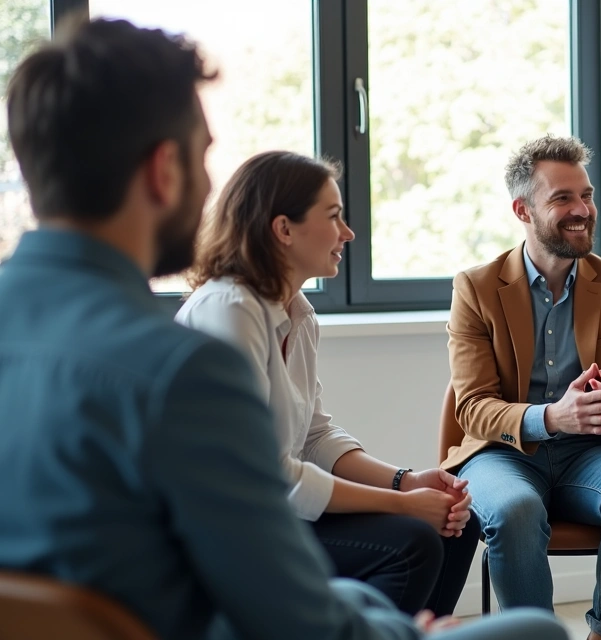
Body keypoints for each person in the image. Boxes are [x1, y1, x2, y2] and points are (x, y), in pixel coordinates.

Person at [0, 17, 565, 640]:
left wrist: (402, 490)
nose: (211, 183)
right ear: (164, 170)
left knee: (374, 585)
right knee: (535, 631)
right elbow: (290, 611)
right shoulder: (180, 370)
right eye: (203, 156)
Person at [176, 150, 478, 616]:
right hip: (232, 529)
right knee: (414, 540)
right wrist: (403, 506)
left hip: (280, 512)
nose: (348, 234)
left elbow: (315, 436)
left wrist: (408, 482)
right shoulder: (229, 310)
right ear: (284, 229)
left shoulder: (298, 312)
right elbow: (270, 472)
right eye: (334, 217)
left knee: (457, 527)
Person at [443, 134, 601, 640]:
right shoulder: (476, 288)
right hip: (504, 454)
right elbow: (473, 407)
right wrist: (550, 418)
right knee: (514, 509)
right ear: (522, 209)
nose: (582, 210)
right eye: (562, 198)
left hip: (592, 453)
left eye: (585, 195)